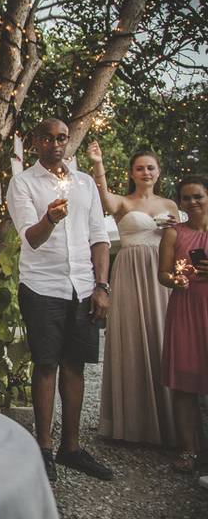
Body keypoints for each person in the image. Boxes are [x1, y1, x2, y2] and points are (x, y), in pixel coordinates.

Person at [6, 118, 113, 482]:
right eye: (48, 138)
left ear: (69, 141)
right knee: (46, 365)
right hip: (41, 286)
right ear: (35, 142)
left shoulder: (84, 183)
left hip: (82, 287)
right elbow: (31, 238)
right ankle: (44, 448)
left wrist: (102, 286)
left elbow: (99, 236)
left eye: (62, 138)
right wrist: (50, 218)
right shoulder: (22, 183)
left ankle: (71, 448)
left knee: (75, 366)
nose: (56, 144)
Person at [88, 142, 179, 446]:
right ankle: (131, 425)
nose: (146, 172)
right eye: (140, 168)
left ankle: (168, 423)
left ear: (158, 171)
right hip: (129, 272)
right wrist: (98, 163)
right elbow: (103, 197)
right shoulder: (123, 203)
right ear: (131, 173)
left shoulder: (170, 205)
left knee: (162, 337)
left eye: (150, 167)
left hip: (160, 275)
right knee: (131, 338)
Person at [158, 176, 208, 474]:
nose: (192, 202)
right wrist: (177, 279)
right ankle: (189, 450)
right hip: (186, 309)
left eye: (198, 196)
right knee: (184, 383)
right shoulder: (174, 234)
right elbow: (162, 274)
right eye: (186, 198)